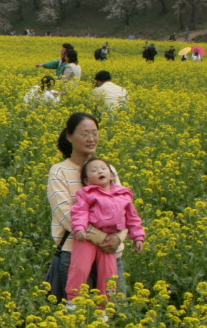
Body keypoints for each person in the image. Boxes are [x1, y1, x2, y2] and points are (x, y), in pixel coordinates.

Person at [45, 113, 120, 300]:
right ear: (69, 137)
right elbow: (67, 216)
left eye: (95, 133)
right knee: (76, 315)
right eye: (85, 134)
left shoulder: (107, 170)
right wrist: (104, 238)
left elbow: (123, 209)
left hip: (111, 254)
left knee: (110, 310)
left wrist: (119, 238)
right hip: (75, 257)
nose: (91, 139)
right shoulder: (59, 171)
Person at [65, 157, 146, 301]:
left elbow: (132, 218)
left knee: (109, 275)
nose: (99, 172)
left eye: (103, 168)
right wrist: (79, 228)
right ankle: (73, 300)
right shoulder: (86, 193)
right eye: (94, 170)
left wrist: (138, 237)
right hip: (88, 238)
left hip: (110, 240)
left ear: (112, 175)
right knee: (80, 268)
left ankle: (105, 306)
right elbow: (80, 211)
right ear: (87, 181)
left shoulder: (124, 195)